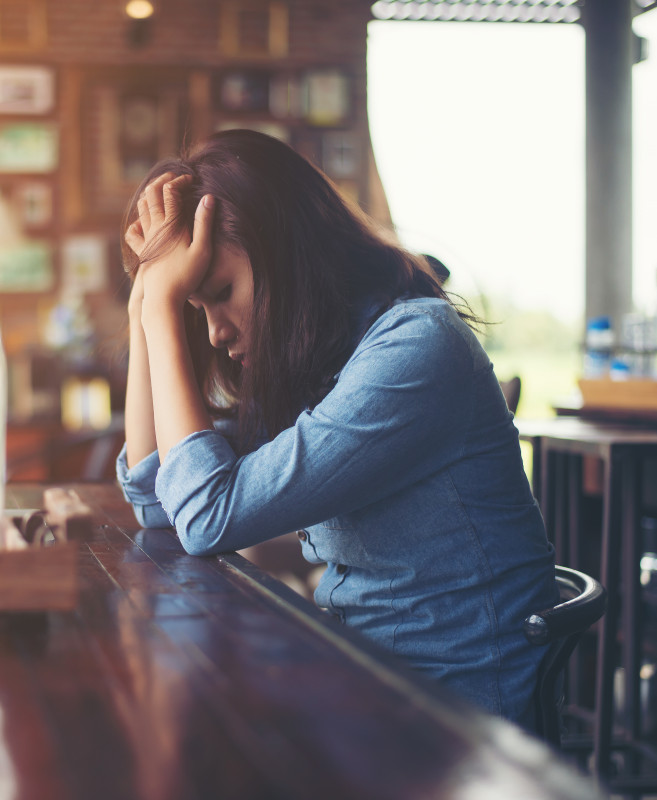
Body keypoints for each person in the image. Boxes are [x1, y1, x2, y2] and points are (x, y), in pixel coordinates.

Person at [115, 129, 557, 727]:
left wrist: (164, 305)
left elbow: (206, 516)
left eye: (221, 293)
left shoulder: (414, 348)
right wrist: (146, 298)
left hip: (454, 718)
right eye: (199, 308)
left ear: (285, 255)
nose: (215, 332)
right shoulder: (326, 359)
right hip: (367, 678)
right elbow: (159, 501)